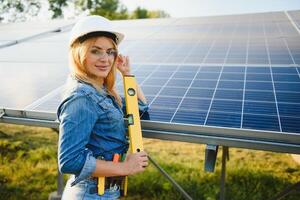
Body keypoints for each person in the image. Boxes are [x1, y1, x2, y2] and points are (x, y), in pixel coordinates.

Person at [57, 15, 149, 200]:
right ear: (79, 53)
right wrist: (124, 167)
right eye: (96, 51)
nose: (105, 59)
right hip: (89, 193)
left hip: (103, 192)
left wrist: (127, 74)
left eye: (110, 52)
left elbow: (140, 107)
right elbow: (69, 161)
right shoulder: (81, 97)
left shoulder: (101, 92)